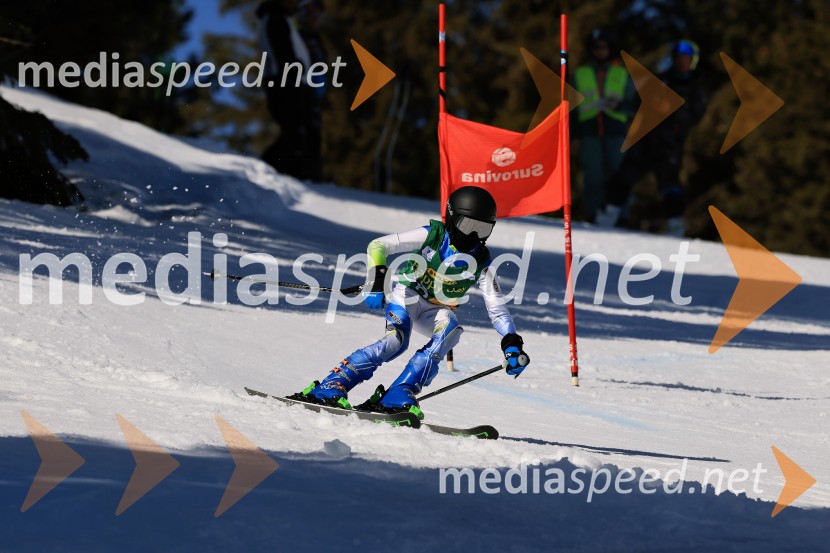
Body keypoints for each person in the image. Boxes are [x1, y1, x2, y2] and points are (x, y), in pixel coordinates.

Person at [289, 186, 531, 418]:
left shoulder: (481, 260)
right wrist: (378, 280)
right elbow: (379, 245)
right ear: (451, 218)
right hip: (408, 296)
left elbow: (498, 310)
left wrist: (511, 343)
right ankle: (332, 385)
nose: (474, 236)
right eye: (468, 226)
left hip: (435, 310)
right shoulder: (433, 235)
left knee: (451, 331)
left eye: (482, 229)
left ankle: (398, 394)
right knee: (396, 341)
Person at [596, 39, 707, 236]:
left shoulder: (695, 88)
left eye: (686, 59)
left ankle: (675, 226)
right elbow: (637, 104)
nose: (682, 62)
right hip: (645, 139)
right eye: (678, 58)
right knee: (624, 176)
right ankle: (608, 217)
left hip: (670, 145)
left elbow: (695, 116)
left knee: (670, 184)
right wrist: (619, 106)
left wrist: (672, 110)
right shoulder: (659, 80)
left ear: (693, 61)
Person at [573, 28, 636, 222]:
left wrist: (620, 107)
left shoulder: (621, 74)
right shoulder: (580, 73)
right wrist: (573, 134)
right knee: (592, 178)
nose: (600, 51)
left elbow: (635, 105)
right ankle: (593, 214)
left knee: (619, 176)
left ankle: (622, 216)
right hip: (589, 132)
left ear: (610, 49)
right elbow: (571, 107)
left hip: (615, 131)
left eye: (604, 47)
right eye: (596, 47)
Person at [256, 0, 314, 179]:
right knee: (293, 130)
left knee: (295, 130)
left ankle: (281, 171)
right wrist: (295, 69)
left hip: (288, 80)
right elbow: (282, 53)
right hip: (283, 81)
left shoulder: (282, 19)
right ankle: (270, 169)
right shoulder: (274, 18)